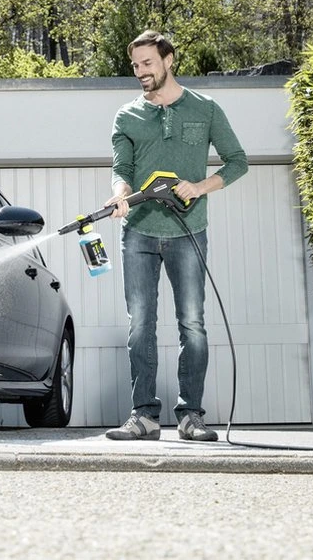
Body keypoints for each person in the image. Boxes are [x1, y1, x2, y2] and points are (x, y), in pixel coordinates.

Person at [103, 30, 247, 441]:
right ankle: (144, 416)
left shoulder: (205, 109)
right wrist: (120, 195)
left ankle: (191, 417)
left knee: (192, 324)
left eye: (147, 63)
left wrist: (199, 187)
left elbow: (237, 162)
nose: (140, 71)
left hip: (189, 232)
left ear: (168, 60)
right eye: (135, 65)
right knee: (140, 325)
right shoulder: (127, 115)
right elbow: (121, 170)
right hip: (138, 233)